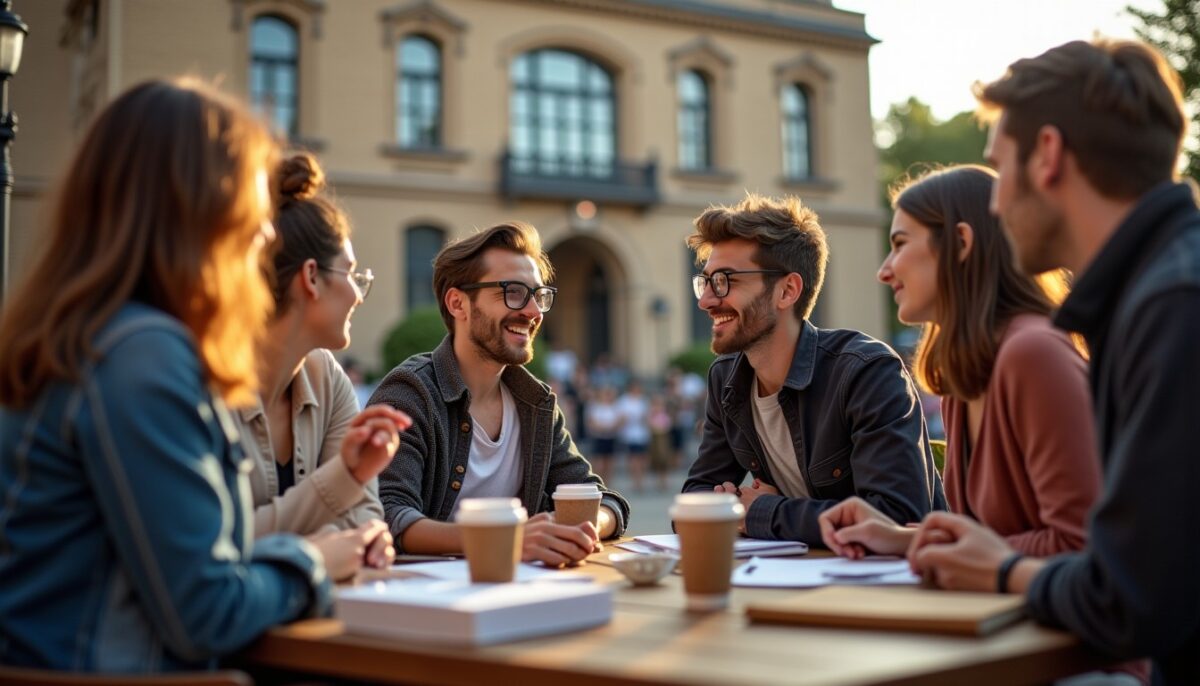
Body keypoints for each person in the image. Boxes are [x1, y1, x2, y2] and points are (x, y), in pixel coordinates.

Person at [0, 79, 396, 671]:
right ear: (198, 213)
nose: (265, 234)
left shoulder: (97, 336)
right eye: (250, 208)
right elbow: (207, 611)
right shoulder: (144, 356)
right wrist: (314, 562)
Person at [903, 39, 1199, 684]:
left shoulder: (1172, 305)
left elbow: (1131, 599)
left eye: (999, 168)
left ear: (1048, 155)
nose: (997, 201)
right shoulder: (1153, 293)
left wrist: (1005, 569)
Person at [819, 165, 1101, 559]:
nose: (884, 271)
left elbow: (1085, 546)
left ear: (960, 242)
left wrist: (927, 543)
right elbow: (986, 539)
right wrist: (899, 537)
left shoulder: (1034, 355)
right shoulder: (962, 379)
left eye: (899, 244)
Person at [682, 193, 945, 544]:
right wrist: (738, 509)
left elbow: (896, 517)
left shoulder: (866, 373)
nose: (706, 300)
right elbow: (693, 502)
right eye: (706, 281)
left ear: (787, 290)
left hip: (890, 590)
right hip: (788, 581)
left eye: (725, 280)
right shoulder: (726, 377)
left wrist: (763, 512)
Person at [373, 222, 630, 566]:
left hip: (516, 595)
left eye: (538, 296)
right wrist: (508, 540)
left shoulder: (535, 403)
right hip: (427, 603)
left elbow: (603, 500)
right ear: (458, 303)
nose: (534, 312)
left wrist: (583, 526)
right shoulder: (411, 393)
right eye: (513, 292)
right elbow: (387, 516)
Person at [234, 152, 411, 580]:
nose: (357, 294)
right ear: (311, 277)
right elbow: (217, 547)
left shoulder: (327, 376)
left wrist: (284, 548)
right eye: (351, 274)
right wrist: (311, 554)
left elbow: (368, 519)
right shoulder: (210, 381)